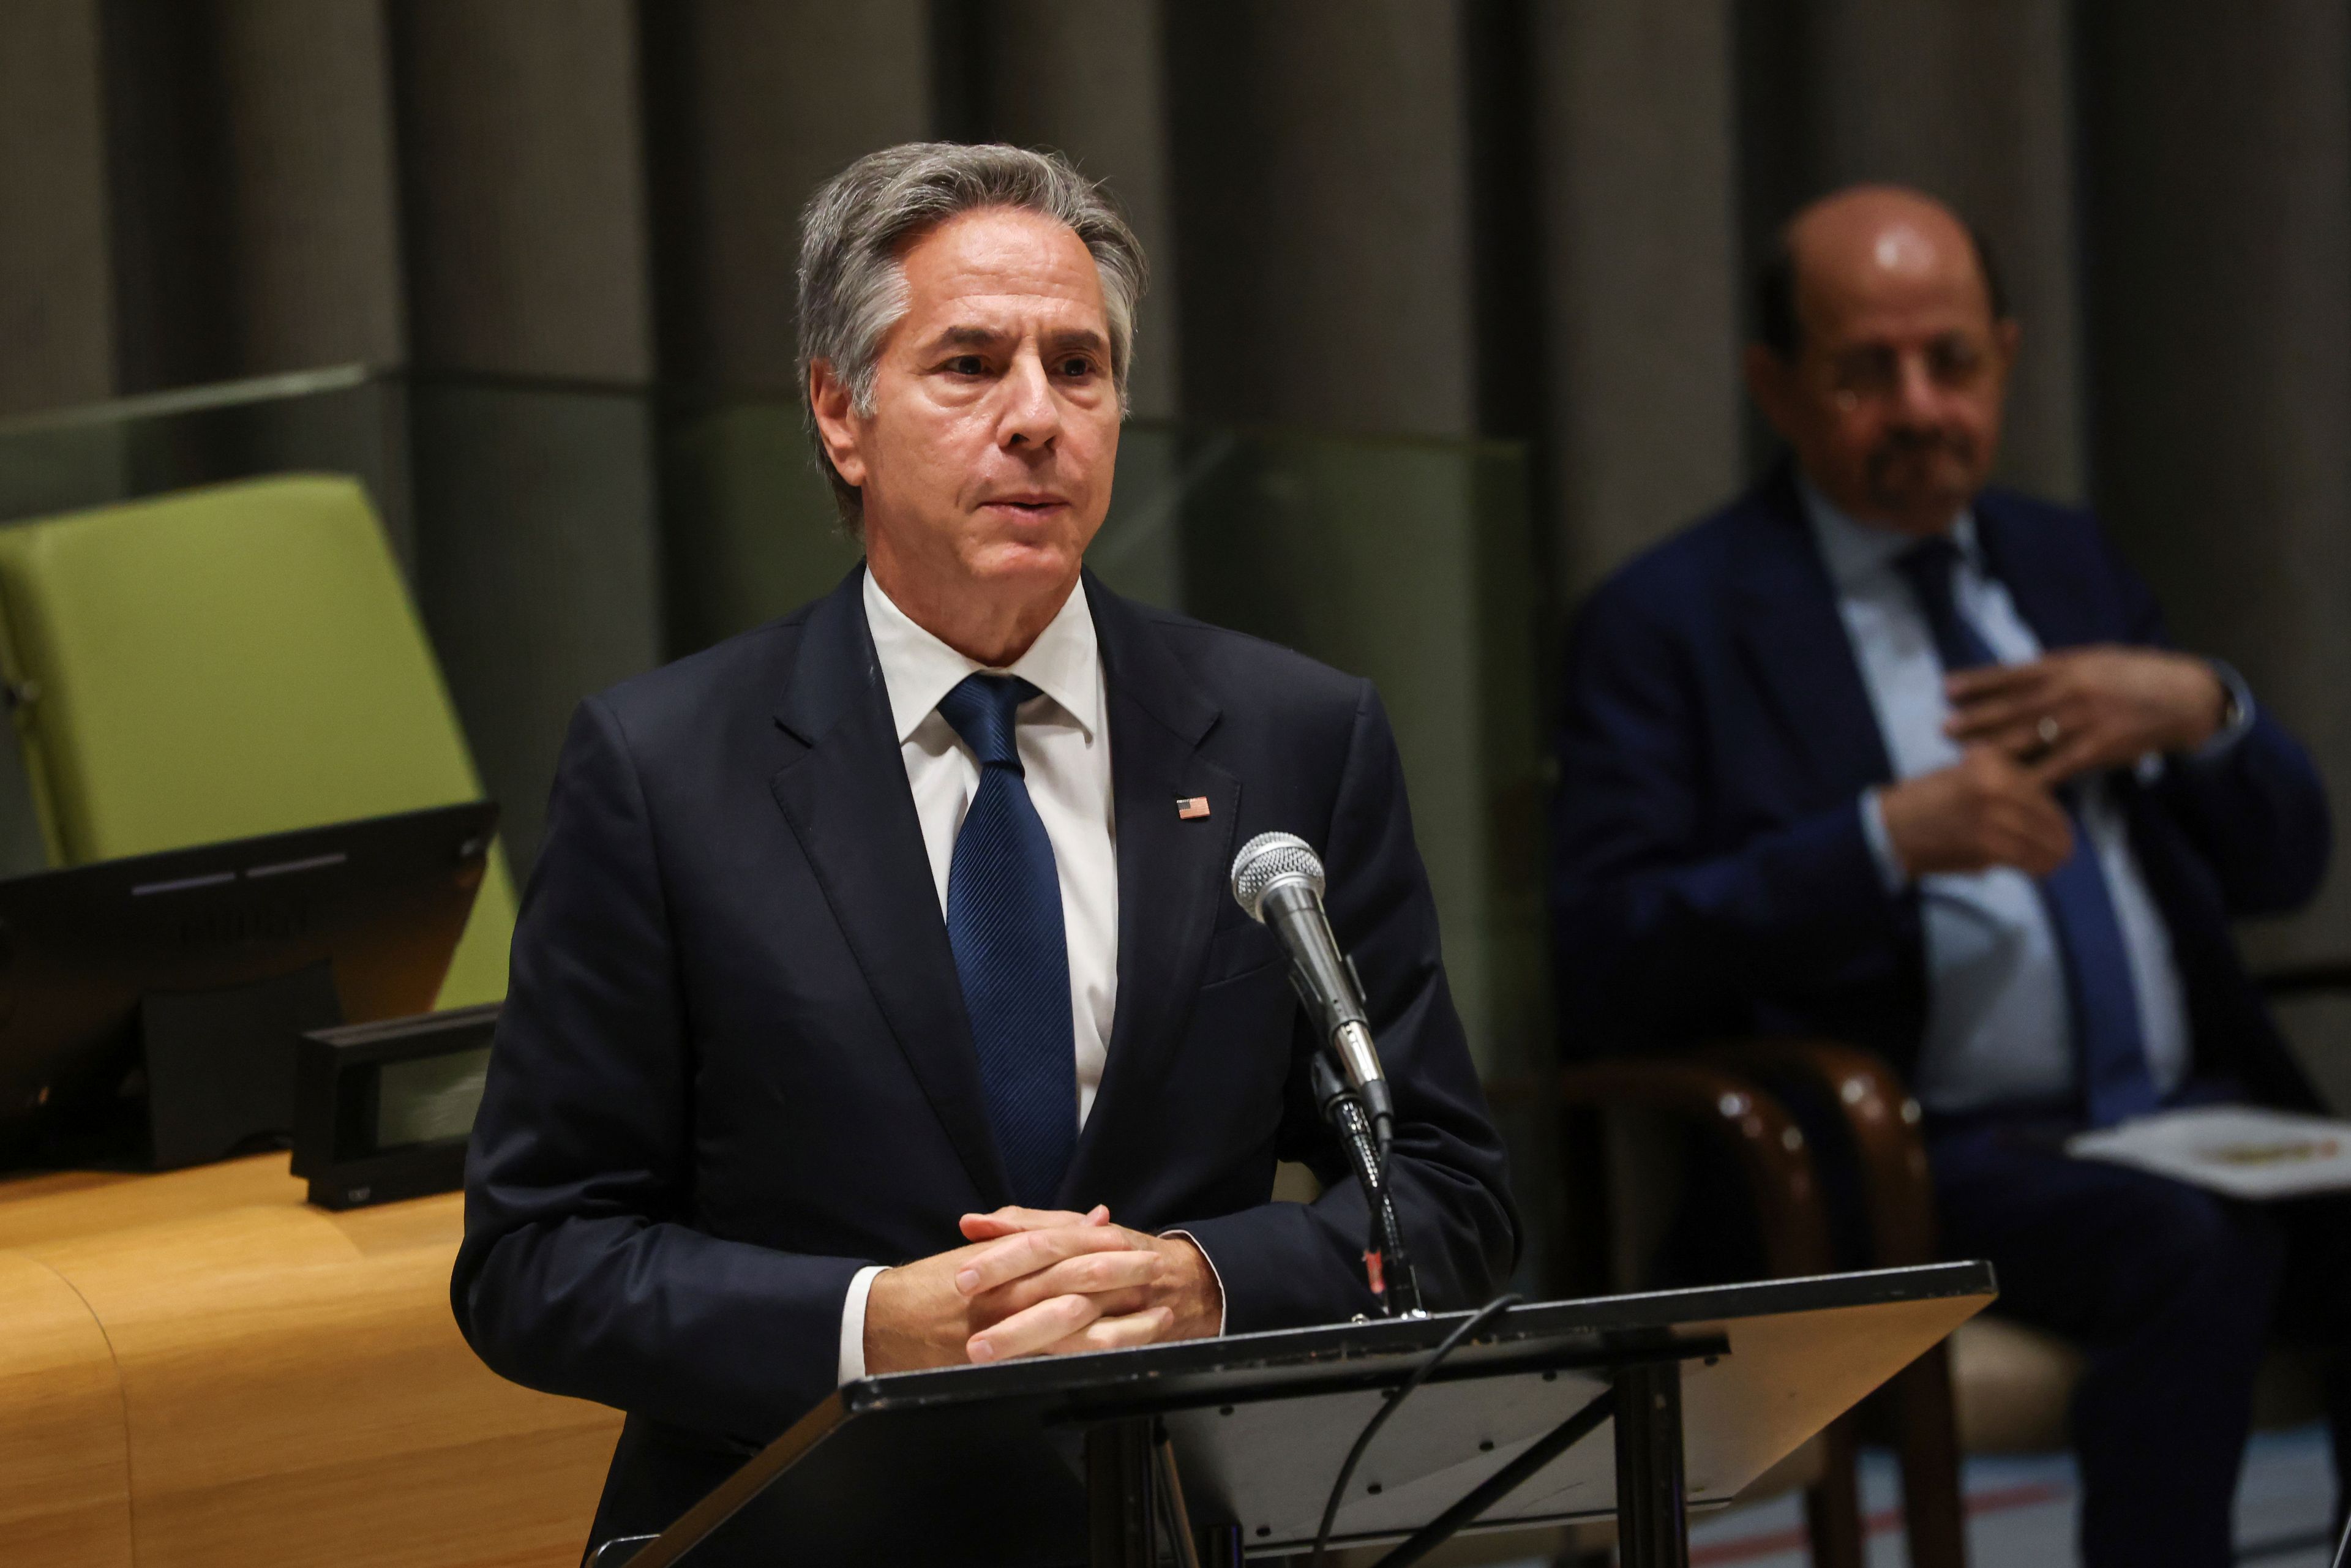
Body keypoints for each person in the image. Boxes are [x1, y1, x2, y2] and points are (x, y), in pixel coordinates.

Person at [453, 142, 1515, 1555]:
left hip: (1179, 1524)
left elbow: (1446, 1193)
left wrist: (1203, 1280)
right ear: (843, 413)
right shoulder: (663, 772)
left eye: (1077, 369)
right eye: (969, 365)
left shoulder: (1290, 741)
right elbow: (536, 1261)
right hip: (808, 1527)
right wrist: (865, 1326)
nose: (1036, 419)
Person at [1550, 184, 2344, 1567]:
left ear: (2007, 359)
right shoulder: (1672, 622)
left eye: (1953, 363)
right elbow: (1609, 951)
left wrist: (2204, 711)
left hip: (2177, 1118)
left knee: (2232, 1225)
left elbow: (2286, 866)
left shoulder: (2064, 561)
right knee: (2192, 1252)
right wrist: (1880, 843)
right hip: (1907, 1150)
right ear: (1777, 388)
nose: (1921, 406)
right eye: (1868, 372)